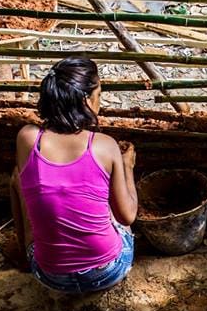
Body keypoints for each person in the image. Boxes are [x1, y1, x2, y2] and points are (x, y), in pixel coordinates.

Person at [10, 57, 137, 294]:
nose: (100, 101)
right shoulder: (104, 145)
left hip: (49, 275)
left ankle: (23, 255)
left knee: (19, 179)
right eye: (99, 94)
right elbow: (128, 216)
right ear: (86, 100)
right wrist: (127, 167)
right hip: (107, 272)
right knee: (110, 206)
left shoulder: (27, 138)